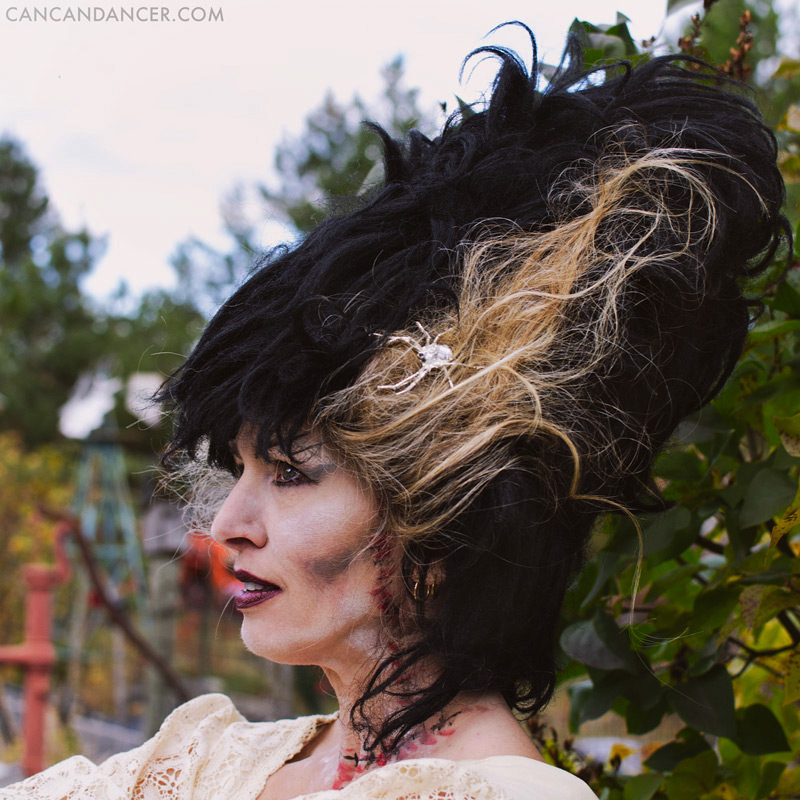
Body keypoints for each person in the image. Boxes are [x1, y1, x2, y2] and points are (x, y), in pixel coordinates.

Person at [3, 22, 787, 800]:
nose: (227, 524)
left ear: (445, 519)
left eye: (290, 472)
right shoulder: (201, 766)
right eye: (239, 468)